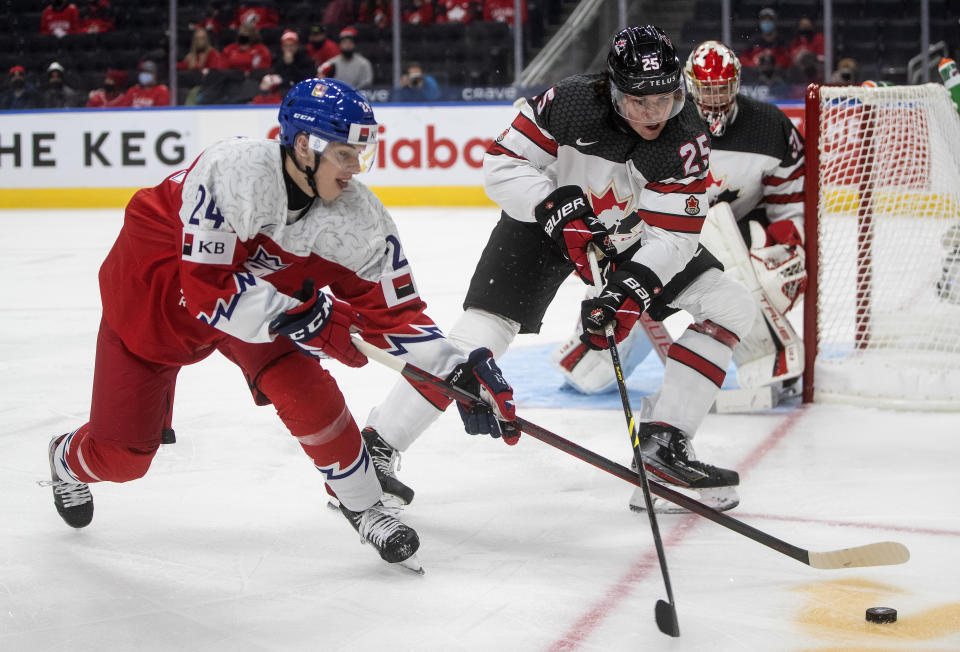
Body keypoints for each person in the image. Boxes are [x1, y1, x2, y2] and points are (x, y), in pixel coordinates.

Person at [42, 78, 517, 573]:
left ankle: (363, 502)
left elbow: (396, 317)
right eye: (345, 154)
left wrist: (458, 371)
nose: (356, 169)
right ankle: (65, 458)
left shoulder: (360, 222)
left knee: (306, 386)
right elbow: (206, 288)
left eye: (363, 153)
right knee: (124, 458)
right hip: (155, 297)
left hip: (255, 299)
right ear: (306, 146)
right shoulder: (233, 171)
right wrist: (307, 315)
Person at [359, 26, 755, 515]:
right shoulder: (568, 104)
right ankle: (375, 450)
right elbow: (501, 165)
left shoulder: (686, 136)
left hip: (633, 236)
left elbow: (675, 234)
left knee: (730, 305)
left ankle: (662, 449)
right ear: (613, 90)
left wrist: (629, 290)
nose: (654, 115)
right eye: (638, 102)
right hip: (541, 225)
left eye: (665, 99)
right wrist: (551, 205)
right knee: (480, 335)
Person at [552, 41, 806, 418]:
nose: (715, 98)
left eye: (723, 87)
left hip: (733, 240)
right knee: (590, 373)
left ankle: (768, 355)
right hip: (655, 234)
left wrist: (785, 247)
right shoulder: (654, 121)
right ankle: (595, 353)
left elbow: (790, 202)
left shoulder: (771, 127)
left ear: (737, 84)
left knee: (723, 237)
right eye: (706, 88)